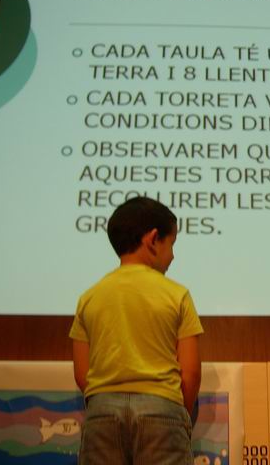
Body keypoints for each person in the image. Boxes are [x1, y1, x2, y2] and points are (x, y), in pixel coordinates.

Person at [70, 197, 203, 465]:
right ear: (153, 239)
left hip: (102, 413)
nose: (173, 255)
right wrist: (177, 413)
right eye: (172, 244)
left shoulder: (89, 297)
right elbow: (190, 373)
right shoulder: (177, 294)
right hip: (162, 410)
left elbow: (82, 373)